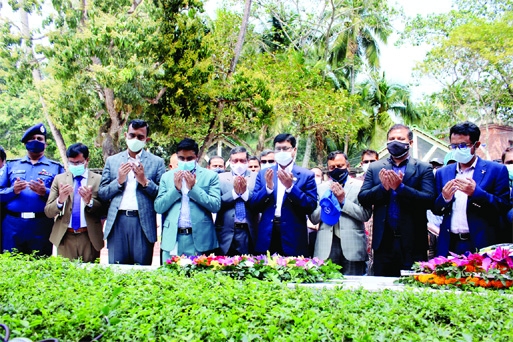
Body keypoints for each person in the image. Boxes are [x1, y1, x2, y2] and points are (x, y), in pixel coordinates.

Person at [358, 124, 435, 276]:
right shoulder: (375, 167)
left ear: (410, 143)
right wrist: (383, 188)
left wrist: (400, 188)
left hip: (413, 241)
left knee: (414, 288)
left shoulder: (423, 168)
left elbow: (429, 200)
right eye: (392, 139)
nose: (395, 142)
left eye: (400, 139)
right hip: (383, 241)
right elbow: (363, 198)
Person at [433, 122, 510, 256]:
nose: (457, 150)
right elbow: (436, 209)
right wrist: (445, 198)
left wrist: (476, 193)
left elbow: (503, 207)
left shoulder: (496, 170)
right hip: (450, 244)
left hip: (481, 243)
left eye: (463, 145)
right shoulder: (442, 173)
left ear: (476, 145)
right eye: (454, 146)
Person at [99, 119, 166, 265]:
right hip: (118, 221)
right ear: (125, 135)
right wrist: (118, 181)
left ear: (146, 139)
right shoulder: (112, 161)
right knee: (116, 270)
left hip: (143, 223)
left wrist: (144, 181)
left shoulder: (157, 162)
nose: (135, 139)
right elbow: (102, 193)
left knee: (141, 272)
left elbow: (162, 195)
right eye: (132, 135)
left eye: (140, 137)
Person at [0, 123, 65, 256]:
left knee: (40, 266)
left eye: (40, 139)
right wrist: (13, 190)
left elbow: (64, 197)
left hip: (41, 224)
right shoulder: (11, 166)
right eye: (32, 138)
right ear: (25, 143)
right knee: (11, 266)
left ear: (45, 144)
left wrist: (45, 192)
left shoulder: (56, 168)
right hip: (13, 224)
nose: (36, 141)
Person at [250, 133, 317, 257]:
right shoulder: (264, 174)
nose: (281, 152)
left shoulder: (306, 175)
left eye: (285, 148)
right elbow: (254, 205)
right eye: (278, 149)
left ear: (294, 150)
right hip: (267, 234)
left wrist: (291, 188)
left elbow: (310, 206)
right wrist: (268, 189)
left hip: (293, 236)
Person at [155, 138, 220, 259]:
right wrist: (176, 190)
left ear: (196, 157)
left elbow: (215, 205)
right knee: (169, 277)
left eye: (189, 158)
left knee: (199, 277)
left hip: (200, 239)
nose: (185, 161)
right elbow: (159, 207)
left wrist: (193, 189)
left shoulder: (210, 176)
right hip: (173, 239)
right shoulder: (167, 177)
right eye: (181, 158)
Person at [310, 151, 371, 275]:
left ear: (347, 166)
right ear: (328, 169)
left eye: (340, 166)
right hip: (325, 247)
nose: (336, 169)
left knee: (354, 288)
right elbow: (314, 218)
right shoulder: (321, 188)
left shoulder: (361, 186)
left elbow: (365, 215)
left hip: (353, 246)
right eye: (332, 167)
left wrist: (342, 201)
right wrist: (329, 203)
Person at [44, 143, 104, 262]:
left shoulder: (98, 180)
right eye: (71, 162)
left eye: (78, 163)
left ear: (87, 160)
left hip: (89, 236)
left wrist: (90, 202)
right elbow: (48, 212)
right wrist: (60, 200)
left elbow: (105, 210)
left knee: (89, 274)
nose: (74, 165)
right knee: (66, 275)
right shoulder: (59, 179)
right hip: (65, 236)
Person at [215, 147, 258, 256]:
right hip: (226, 232)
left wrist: (244, 194)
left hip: (249, 232)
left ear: (247, 162)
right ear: (229, 161)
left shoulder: (256, 177)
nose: (239, 163)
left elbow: (259, 204)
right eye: (235, 160)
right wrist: (234, 193)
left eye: (242, 160)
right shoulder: (220, 178)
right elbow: (216, 204)